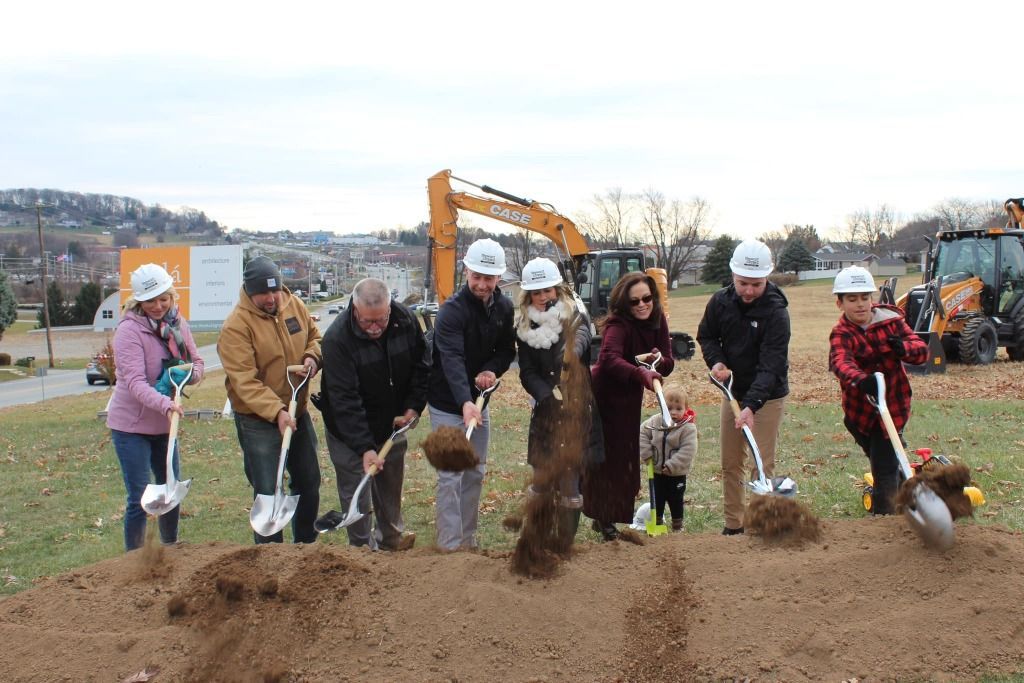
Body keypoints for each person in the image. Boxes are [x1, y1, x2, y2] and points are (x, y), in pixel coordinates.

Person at [318, 277, 428, 550]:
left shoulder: (404, 320)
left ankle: (391, 545)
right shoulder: (336, 340)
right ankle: (361, 551)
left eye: (381, 320)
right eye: (368, 322)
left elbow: (422, 366)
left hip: (392, 425)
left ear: (390, 308)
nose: (376, 328)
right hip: (348, 432)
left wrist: (413, 407)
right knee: (356, 493)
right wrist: (364, 447)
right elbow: (344, 401)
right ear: (355, 310)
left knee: (390, 491)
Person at [219, 256, 322, 544]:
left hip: (297, 411)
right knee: (268, 488)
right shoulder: (236, 327)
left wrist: (312, 357)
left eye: (275, 290)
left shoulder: (294, 305)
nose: (271, 298)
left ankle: (305, 546)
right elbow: (245, 382)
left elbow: (315, 337)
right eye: (263, 293)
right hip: (257, 420)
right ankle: (270, 557)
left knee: (308, 480)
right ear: (249, 293)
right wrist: (276, 411)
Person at [107, 263, 204, 551]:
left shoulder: (178, 324)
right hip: (131, 426)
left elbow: (197, 362)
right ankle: (134, 561)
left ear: (172, 296)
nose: (158, 306)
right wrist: (165, 403)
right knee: (140, 496)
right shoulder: (129, 332)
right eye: (150, 301)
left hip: (164, 425)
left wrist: (190, 375)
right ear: (138, 301)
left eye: (164, 298)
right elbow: (135, 383)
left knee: (169, 488)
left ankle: (170, 547)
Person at [427, 238, 516, 550]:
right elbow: (451, 360)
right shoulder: (451, 312)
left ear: (498, 278)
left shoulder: (504, 307)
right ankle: (449, 546)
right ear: (466, 272)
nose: (481, 283)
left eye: (488, 278)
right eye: (476, 276)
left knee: (475, 472)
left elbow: (506, 349)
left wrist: (492, 369)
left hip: (479, 402)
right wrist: (464, 401)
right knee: (451, 474)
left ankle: (468, 540)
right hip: (447, 402)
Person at [697, 239, 790, 536]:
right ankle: (733, 526)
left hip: (768, 396)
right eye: (743, 283)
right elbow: (707, 336)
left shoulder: (776, 313)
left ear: (767, 279)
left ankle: (761, 525)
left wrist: (751, 405)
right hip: (733, 392)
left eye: (756, 284)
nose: (749, 290)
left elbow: (772, 365)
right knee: (730, 462)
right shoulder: (720, 302)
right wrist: (717, 363)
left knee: (761, 462)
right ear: (732, 277)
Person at [515, 257, 602, 550]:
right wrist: (544, 394)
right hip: (546, 412)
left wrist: (570, 354)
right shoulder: (525, 328)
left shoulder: (574, 314)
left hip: (576, 411)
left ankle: (564, 544)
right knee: (541, 478)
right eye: (536, 293)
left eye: (547, 291)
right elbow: (526, 371)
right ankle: (535, 539)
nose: (542, 297)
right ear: (528, 295)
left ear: (557, 290)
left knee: (569, 479)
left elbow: (582, 336)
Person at [828, 266, 928, 515]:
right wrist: (862, 380)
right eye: (852, 299)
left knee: (884, 468)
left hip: (893, 407)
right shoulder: (841, 333)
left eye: (865, 298)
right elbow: (840, 362)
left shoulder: (891, 322)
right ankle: (910, 498)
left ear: (872, 299)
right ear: (840, 303)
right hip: (858, 414)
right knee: (885, 461)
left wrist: (904, 349)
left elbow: (922, 350)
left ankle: (884, 522)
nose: (860, 305)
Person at [585, 271, 674, 541]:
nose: (642, 305)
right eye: (634, 302)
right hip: (604, 396)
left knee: (625, 457)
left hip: (629, 397)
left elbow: (668, 362)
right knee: (607, 459)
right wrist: (640, 373)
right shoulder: (617, 325)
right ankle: (604, 520)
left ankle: (607, 516)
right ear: (625, 304)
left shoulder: (658, 321)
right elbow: (609, 359)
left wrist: (658, 362)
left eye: (646, 298)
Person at [638, 385, 697, 532]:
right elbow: (642, 433)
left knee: (675, 499)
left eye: (678, 408)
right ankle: (657, 524)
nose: (673, 412)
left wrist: (672, 465)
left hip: (676, 473)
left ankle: (677, 525)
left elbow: (688, 450)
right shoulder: (655, 421)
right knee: (657, 499)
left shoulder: (688, 428)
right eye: (669, 408)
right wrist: (646, 453)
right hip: (657, 471)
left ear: (686, 408)